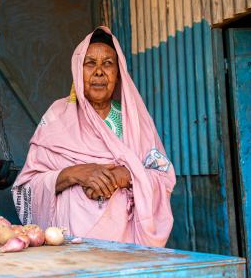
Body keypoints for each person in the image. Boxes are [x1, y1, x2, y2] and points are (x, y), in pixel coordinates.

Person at [12, 27, 176, 247]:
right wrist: (75, 174)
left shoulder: (135, 121)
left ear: (118, 74)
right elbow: (26, 187)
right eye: (90, 63)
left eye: (108, 64)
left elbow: (164, 177)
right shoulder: (57, 116)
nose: (99, 71)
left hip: (127, 249)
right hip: (68, 247)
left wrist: (126, 175)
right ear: (78, 71)